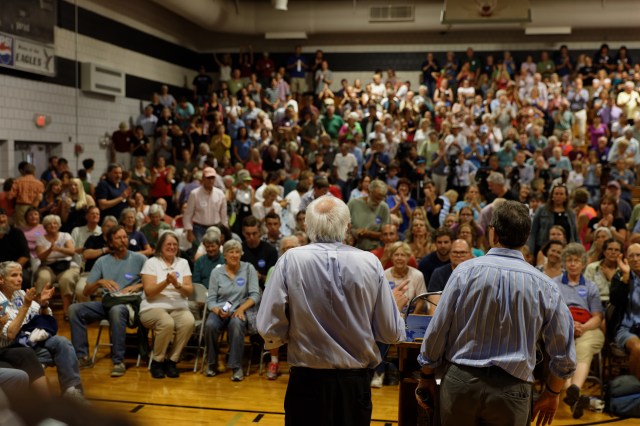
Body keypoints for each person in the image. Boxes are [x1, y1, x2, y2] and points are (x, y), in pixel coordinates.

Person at [416, 200, 576, 426]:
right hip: (513, 388)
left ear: (493, 233)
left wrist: (426, 375)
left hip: (461, 382)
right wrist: (552, 393)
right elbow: (564, 352)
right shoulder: (545, 285)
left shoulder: (465, 272)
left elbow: (438, 329)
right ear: (526, 236)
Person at [257, 195, 405, 426]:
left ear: (307, 225)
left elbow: (269, 327)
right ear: (347, 227)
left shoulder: (291, 260)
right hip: (353, 384)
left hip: (306, 382)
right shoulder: (370, 262)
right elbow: (391, 333)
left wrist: (291, 334)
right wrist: (392, 309)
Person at [0, 261, 86, 402]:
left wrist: (44, 304)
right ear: (1, 279)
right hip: (9, 348)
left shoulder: (20, 294)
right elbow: (10, 334)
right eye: (14, 275)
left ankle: (72, 391)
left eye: (21, 275)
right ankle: (44, 401)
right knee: (51, 354)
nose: (20, 279)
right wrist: (26, 306)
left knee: (62, 343)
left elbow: (44, 317)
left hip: (27, 343)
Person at [69, 225, 147, 377]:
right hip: (107, 302)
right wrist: (99, 283)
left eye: (125, 237)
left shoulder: (140, 258)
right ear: (110, 242)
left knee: (117, 310)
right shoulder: (102, 261)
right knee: (74, 309)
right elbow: (86, 291)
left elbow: (151, 283)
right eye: (118, 238)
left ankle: (118, 361)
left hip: (128, 305)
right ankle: (82, 356)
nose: (123, 240)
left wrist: (137, 285)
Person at [553, 243, 604, 419]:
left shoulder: (590, 287)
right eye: (570, 260)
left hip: (587, 326)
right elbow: (551, 312)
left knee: (585, 346)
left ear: (583, 264)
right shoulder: (554, 284)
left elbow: (598, 316)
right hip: (562, 325)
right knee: (564, 348)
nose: (573, 264)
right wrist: (569, 325)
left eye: (577, 261)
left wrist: (584, 327)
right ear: (564, 263)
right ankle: (575, 395)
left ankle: (573, 391)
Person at [140, 231, 195, 379]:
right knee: (167, 322)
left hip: (178, 307)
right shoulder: (151, 263)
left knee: (189, 321)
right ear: (160, 246)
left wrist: (177, 284)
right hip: (153, 307)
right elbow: (150, 292)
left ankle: (172, 361)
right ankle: (157, 361)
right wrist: (166, 282)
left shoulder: (183, 263)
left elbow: (188, 291)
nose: (172, 247)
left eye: (175, 245)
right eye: (168, 244)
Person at [204, 240, 260, 381]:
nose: (234, 255)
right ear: (225, 255)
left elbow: (255, 294)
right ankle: (212, 363)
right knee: (210, 325)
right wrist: (217, 311)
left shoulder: (248, 269)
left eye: (237, 252)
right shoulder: (216, 272)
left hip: (241, 309)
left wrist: (241, 308)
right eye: (231, 252)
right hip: (221, 309)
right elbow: (210, 300)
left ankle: (236, 367)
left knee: (236, 324)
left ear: (241, 253)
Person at [34, 214, 80, 320]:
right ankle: (39, 309)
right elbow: (41, 256)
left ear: (59, 225)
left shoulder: (65, 235)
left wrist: (58, 249)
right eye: (49, 224)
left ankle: (67, 311)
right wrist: (50, 249)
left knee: (66, 279)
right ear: (45, 226)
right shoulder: (40, 239)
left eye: (55, 223)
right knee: (43, 278)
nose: (52, 225)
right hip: (48, 266)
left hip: (67, 265)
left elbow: (72, 251)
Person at [426, 239, 474, 313]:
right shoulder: (438, 273)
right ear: (449, 254)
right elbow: (434, 308)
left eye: (463, 252)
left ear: (470, 254)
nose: (458, 255)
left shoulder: (477, 274)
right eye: (455, 252)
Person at [183, 167, 228, 245]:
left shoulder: (220, 194)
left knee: (215, 251)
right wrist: (189, 231)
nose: (210, 180)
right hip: (198, 228)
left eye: (212, 178)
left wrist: (225, 231)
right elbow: (188, 214)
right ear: (203, 178)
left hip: (215, 227)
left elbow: (223, 215)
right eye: (208, 178)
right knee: (198, 251)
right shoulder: (194, 194)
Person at [585, 238, 622, 304]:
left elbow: (622, 294)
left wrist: (612, 279)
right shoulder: (592, 268)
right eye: (610, 249)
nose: (613, 252)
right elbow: (586, 290)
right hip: (594, 303)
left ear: (620, 254)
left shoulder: (623, 271)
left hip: (615, 304)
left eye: (617, 250)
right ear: (604, 252)